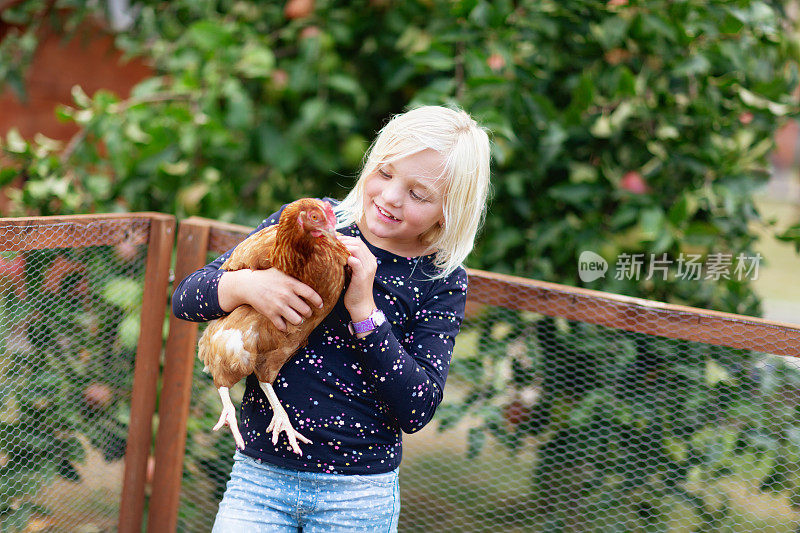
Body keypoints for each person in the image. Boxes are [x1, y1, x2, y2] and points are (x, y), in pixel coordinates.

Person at [172, 105, 491, 532]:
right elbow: (186, 299)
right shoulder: (311, 222)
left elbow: (417, 408)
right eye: (385, 172)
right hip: (260, 479)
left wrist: (364, 310)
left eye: (418, 194)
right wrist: (246, 286)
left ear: (449, 210)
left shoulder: (439, 279)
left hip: (359, 495)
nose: (391, 196)